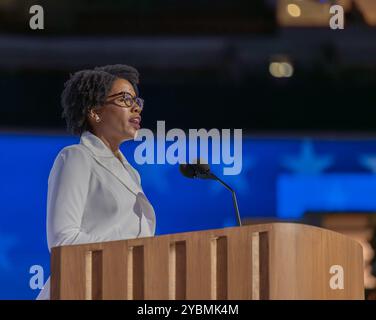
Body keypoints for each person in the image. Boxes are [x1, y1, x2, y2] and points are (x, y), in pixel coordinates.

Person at [37, 64, 156, 299]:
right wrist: (132, 253)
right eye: (124, 99)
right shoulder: (76, 157)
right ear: (95, 112)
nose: (136, 107)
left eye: (136, 101)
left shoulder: (132, 173)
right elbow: (63, 240)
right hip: (81, 289)